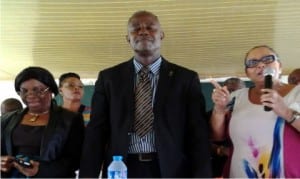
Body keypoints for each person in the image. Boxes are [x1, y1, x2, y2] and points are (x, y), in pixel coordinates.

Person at [79, 10, 211, 178]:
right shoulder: (109, 78)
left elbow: (197, 133)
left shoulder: (185, 78)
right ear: (128, 38)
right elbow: (96, 132)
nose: (143, 31)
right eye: (135, 28)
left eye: (150, 27)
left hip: (172, 169)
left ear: (161, 35)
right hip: (121, 168)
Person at [210, 45, 300, 178]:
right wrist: (219, 109)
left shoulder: (297, 92)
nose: (261, 65)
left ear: (279, 66)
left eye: (268, 59)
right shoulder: (236, 97)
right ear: (247, 73)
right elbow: (217, 136)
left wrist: (287, 112)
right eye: (253, 63)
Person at [1, 66, 85, 178]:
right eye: (24, 91)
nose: (30, 95)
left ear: (51, 90)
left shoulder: (70, 119)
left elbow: (76, 160)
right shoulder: (7, 119)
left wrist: (40, 171)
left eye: (37, 90)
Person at [210, 77, 245, 177]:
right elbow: (201, 142)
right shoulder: (209, 115)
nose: (233, 95)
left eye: (239, 92)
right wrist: (221, 150)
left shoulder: (252, 116)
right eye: (229, 91)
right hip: (218, 169)